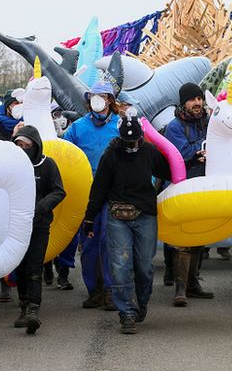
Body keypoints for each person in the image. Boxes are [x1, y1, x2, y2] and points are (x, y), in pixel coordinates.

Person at [82, 112, 172, 334]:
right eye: (127, 142)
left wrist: (191, 163)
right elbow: (99, 188)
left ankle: (141, 302)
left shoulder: (149, 152)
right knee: (120, 266)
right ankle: (127, 313)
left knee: (144, 267)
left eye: (135, 141)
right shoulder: (111, 154)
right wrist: (90, 218)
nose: (131, 146)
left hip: (145, 216)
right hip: (118, 216)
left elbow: (170, 171)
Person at [63, 81, 120, 310]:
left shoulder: (120, 125)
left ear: (110, 100)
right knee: (89, 244)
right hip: (86, 196)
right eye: (93, 96)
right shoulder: (76, 128)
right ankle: (93, 290)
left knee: (109, 242)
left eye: (102, 96)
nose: (97, 100)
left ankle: (109, 290)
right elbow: (64, 155)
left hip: (113, 193)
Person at [162, 82, 214, 306]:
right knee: (184, 237)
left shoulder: (208, 122)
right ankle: (180, 288)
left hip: (203, 184)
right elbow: (180, 153)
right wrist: (198, 150)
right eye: (193, 99)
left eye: (200, 99)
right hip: (182, 187)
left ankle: (193, 283)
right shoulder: (174, 126)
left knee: (200, 235)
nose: (198, 103)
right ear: (184, 102)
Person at [10, 126, 66, 334]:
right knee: (20, 267)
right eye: (19, 145)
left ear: (36, 146)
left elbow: (59, 191)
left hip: (39, 225)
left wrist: (41, 206)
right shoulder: (11, 166)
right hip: (15, 226)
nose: (23, 149)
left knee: (34, 268)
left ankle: (34, 309)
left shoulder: (47, 165)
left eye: (27, 145)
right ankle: (23, 306)